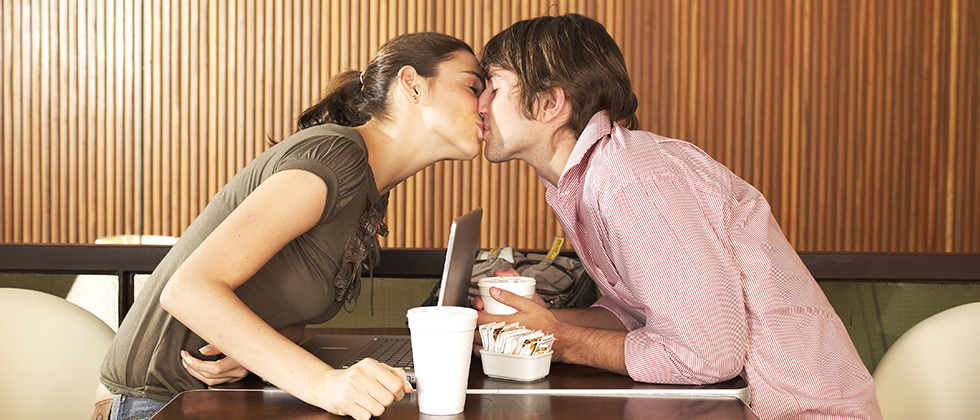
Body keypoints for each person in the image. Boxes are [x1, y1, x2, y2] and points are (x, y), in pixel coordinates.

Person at [473, 14, 882, 420]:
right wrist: (541, 323)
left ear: (550, 104)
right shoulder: (591, 177)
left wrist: (561, 341)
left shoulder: (631, 181)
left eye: (493, 86)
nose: (481, 104)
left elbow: (707, 355)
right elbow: (638, 315)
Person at [93, 32, 486, 420]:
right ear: (412, 85)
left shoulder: (370, 189)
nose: (485, 104)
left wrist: (248, 352)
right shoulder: (338, 156)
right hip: (152, 402)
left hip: (212, 396)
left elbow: (289, 311)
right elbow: (187, 290)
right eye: (473, 86)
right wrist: (324, 384)